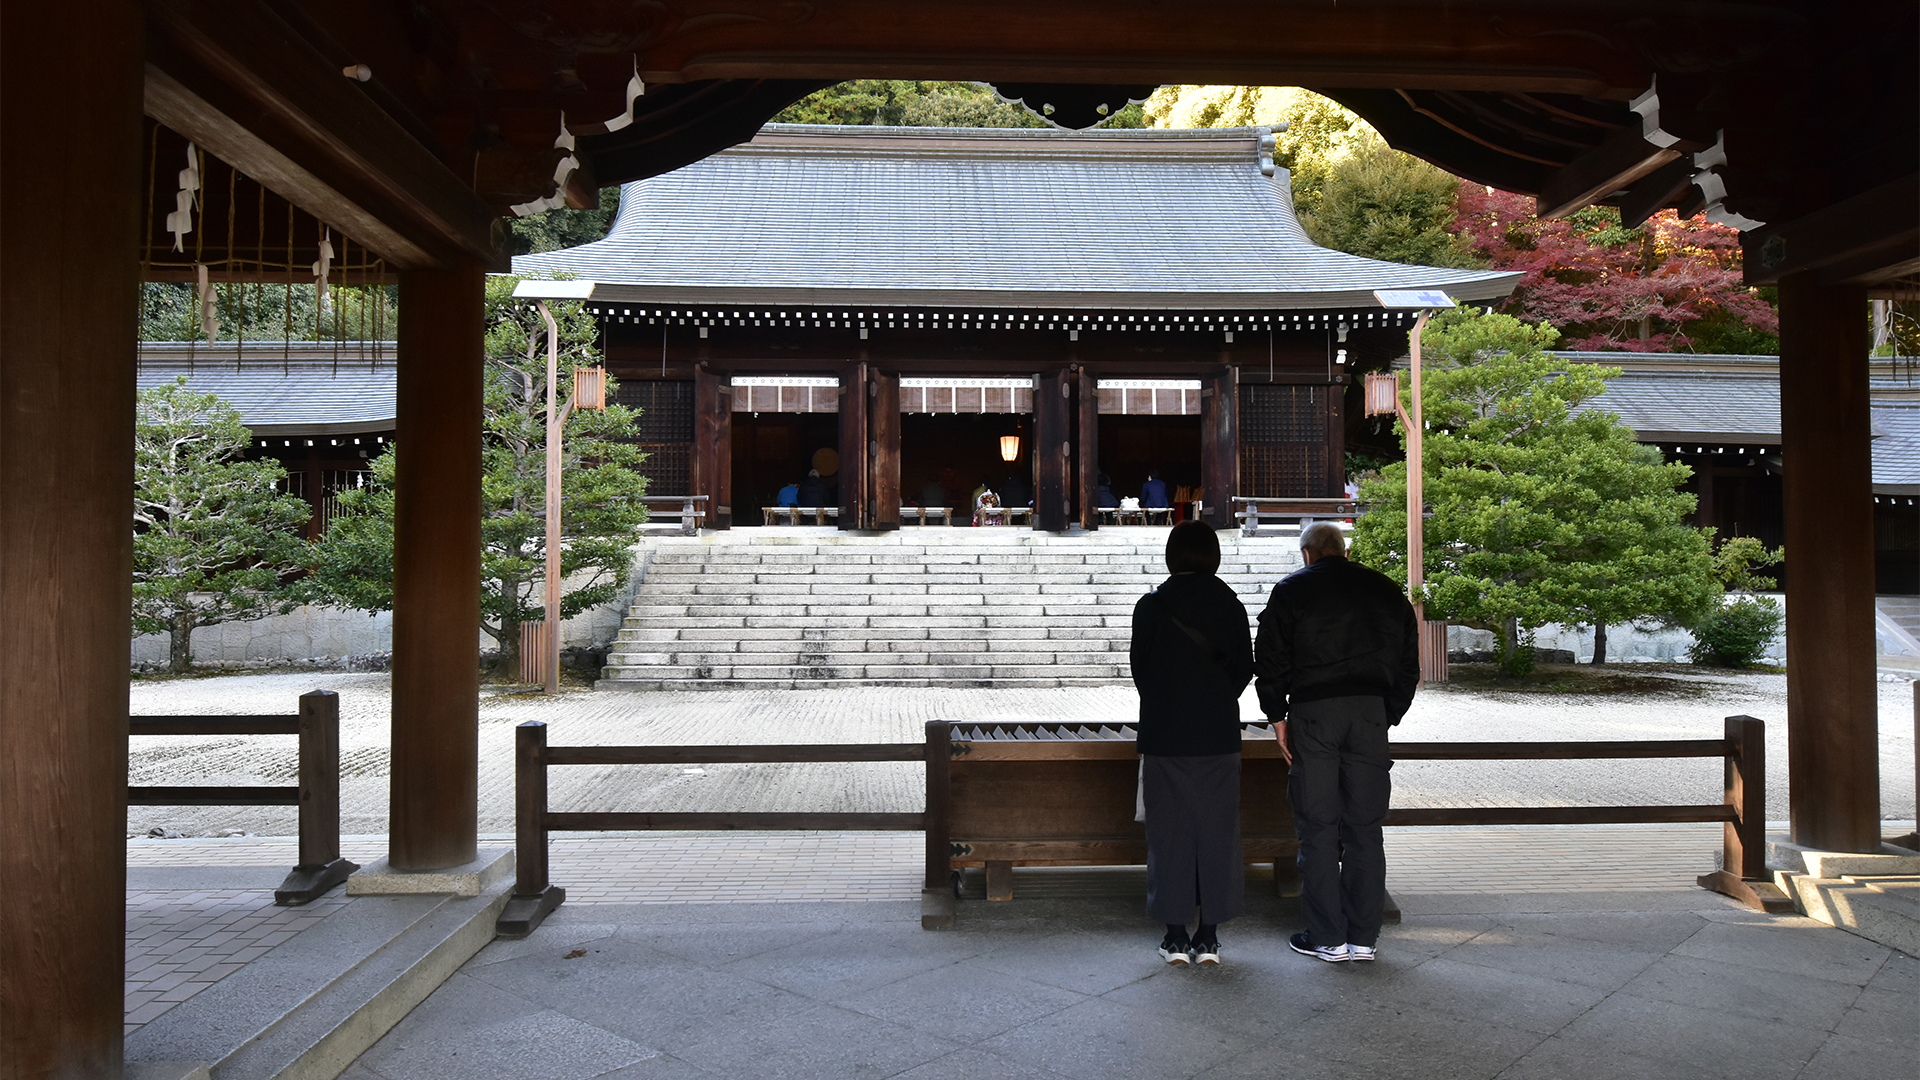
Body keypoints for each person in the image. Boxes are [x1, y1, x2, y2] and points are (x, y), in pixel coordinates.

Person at [1254, 522, 1419, 964]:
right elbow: (1408, 664)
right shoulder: (1387, 591)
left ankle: (1327, 937)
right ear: (1343, 552)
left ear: (1308, 554)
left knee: (1319, 826)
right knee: (1365, 827)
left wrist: (1277, 716)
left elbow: (1269, 658)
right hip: (1369, 714)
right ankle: (1364, 937)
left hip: (1315, 714)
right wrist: (1388, 714)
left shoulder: (1292, 590)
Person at [1130, 521, 1254, 965]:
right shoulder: (1231, 606)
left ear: (1172, 556)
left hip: (1165, 736)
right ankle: (1210, 937)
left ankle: (1175, 936)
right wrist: (1215, 699)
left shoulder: (1151, 607)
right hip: (1218, 736)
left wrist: (1170, 700)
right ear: (1214, 556)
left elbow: (1141, 672)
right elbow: (1243, 670)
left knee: (1170, 835)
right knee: (1217, 833)